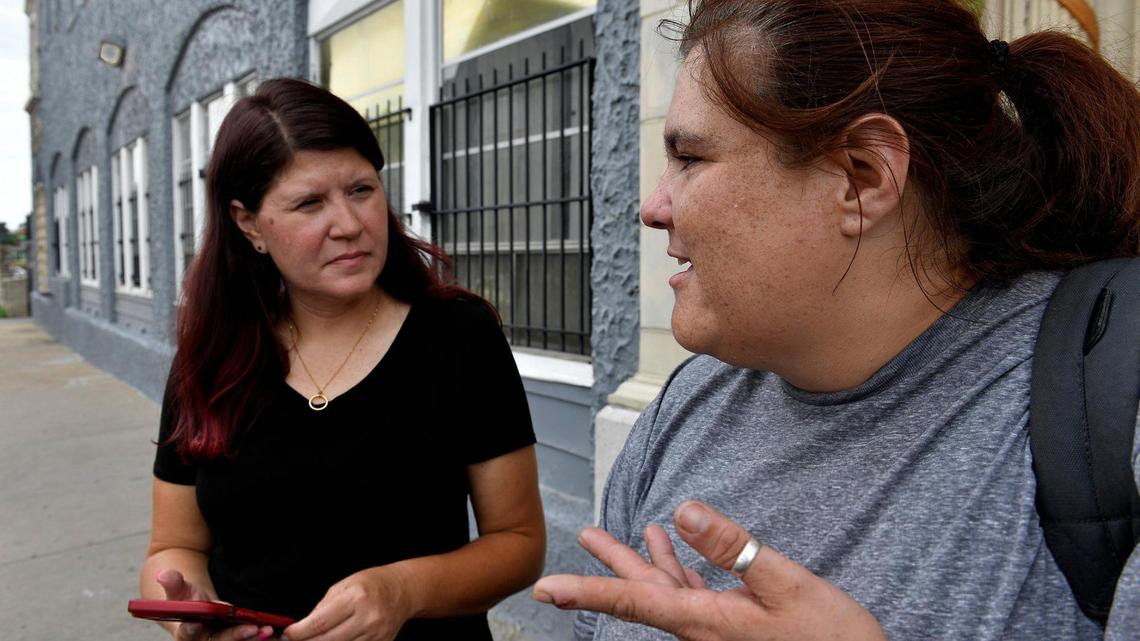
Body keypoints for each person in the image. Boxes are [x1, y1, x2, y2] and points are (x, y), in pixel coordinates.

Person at [531, 0, 1140, 639]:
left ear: (862, 177)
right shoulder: (686, 409)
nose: (653, 208)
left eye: (690, 158)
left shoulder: (1102, 402)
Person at [138, 78, 546, 641]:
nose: (350, 224)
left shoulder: (459, 336)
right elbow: (175, 545)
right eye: (309, 203)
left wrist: (404, 591)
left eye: (361, 189)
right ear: (249, 223)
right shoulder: (210, 357)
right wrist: (190, 613)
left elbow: (520, 544)